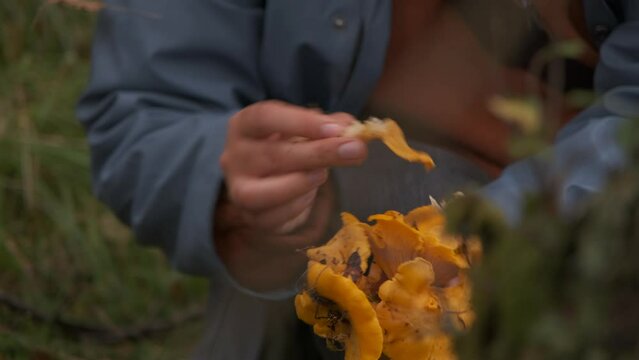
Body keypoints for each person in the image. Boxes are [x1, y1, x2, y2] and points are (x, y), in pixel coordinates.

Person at [77, 0, 637, 358]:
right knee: (369, 211)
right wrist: (228, 185)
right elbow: (146, 111)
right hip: (374, 197)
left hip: (601, 224)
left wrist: (492, 237)